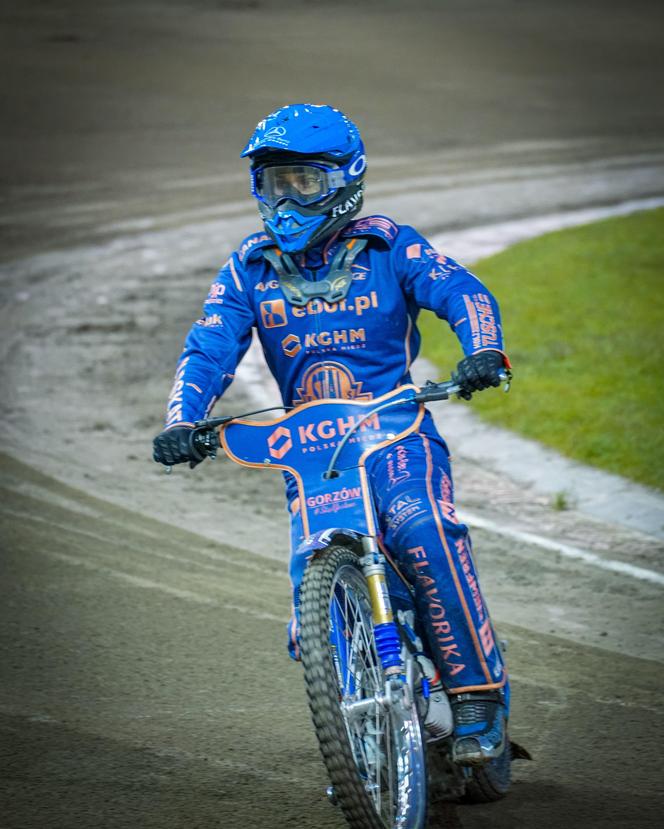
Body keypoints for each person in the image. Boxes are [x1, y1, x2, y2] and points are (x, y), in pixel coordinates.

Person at [153, 103, 511, 766]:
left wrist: (483, 350)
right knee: (309, 597)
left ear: (345, 180)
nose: (285, 202)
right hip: (314, 457)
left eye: (304, 183)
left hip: (396, 435)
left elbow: (463, 291)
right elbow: (207, 349)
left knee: (423, 529)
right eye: (272, 183)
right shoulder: (246, 268)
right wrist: (183, 420)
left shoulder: (390, 244)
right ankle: (356, 720)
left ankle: (477, 696)